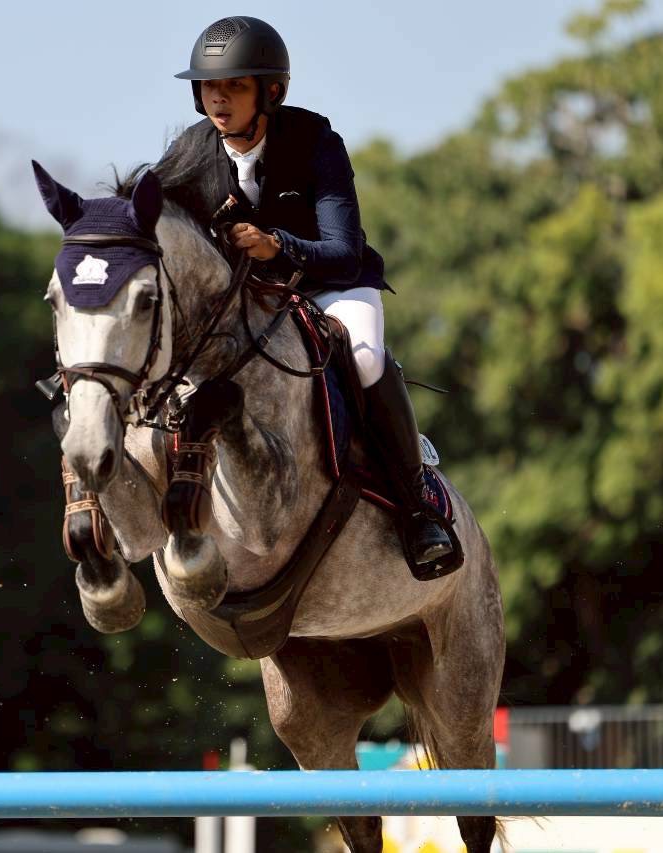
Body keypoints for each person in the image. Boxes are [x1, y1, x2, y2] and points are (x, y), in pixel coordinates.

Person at [171, 16, 453, 575]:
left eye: (235, 86)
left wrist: (277, 246)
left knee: (366, 358)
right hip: (247, 301)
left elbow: (344, 250)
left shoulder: (315, 141)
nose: (218, 98)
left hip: (332, 285)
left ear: (271, 92)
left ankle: (417, 505)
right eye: (209, 87)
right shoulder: (191, 150)